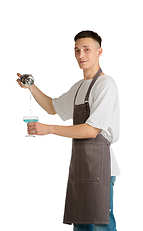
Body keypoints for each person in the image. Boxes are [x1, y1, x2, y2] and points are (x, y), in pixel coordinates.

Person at [17, 30, 120, 231]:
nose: (81, 55)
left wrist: (49, 129)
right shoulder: (79, 87)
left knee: (101, 227)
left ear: (99, 52)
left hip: (101, 168)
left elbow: (91, 131)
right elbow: (51, 107)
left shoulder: (106, 84)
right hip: (80, 166)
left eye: (87, 49)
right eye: (77, 50)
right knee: (81, 226)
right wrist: (31, 87)